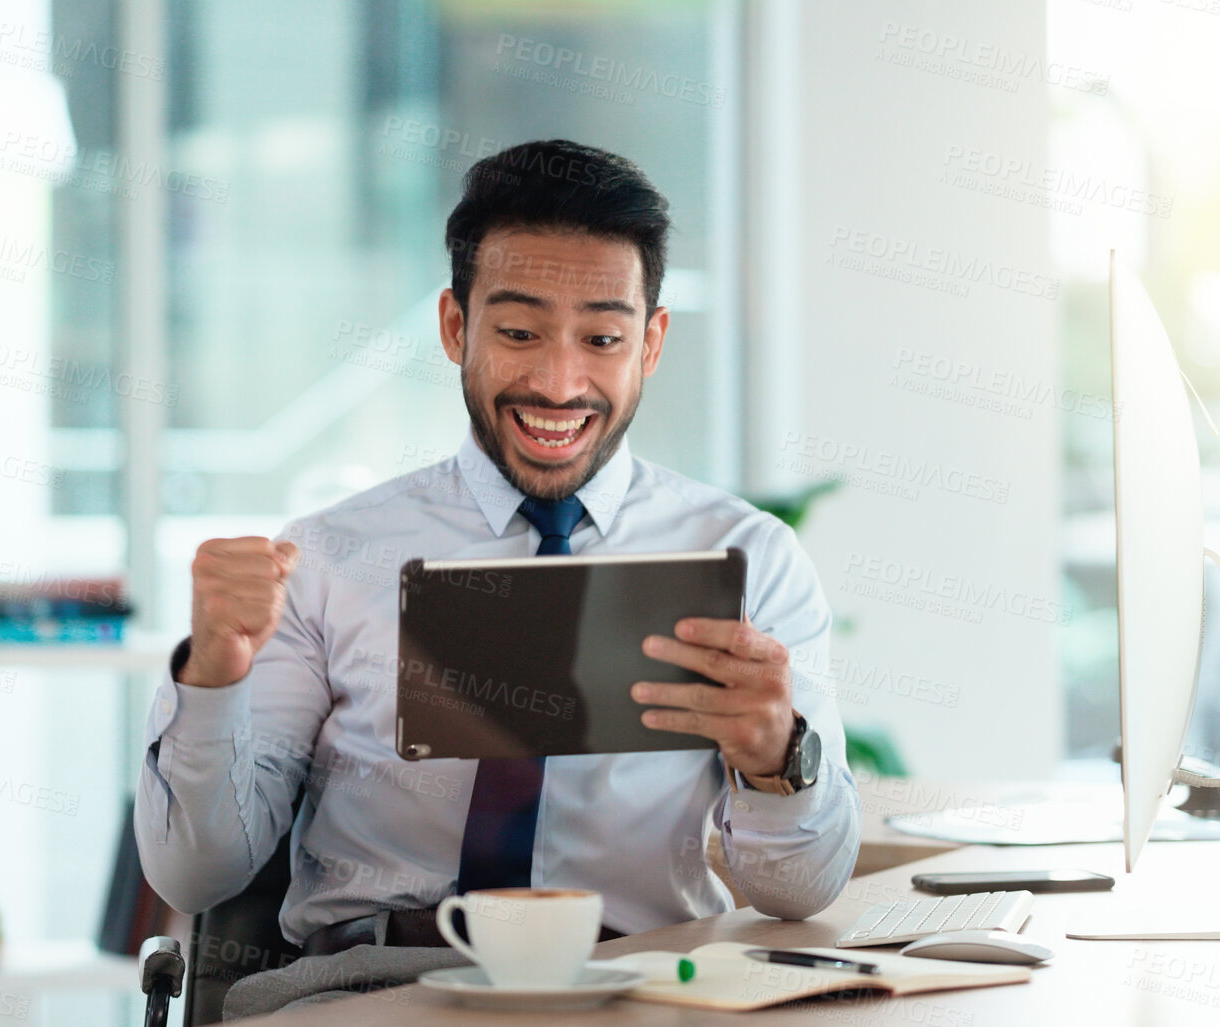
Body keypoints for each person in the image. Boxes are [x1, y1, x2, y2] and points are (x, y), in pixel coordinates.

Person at [135, 139, 861, 1002]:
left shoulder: (750, 561)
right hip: (372, 989)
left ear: (650, 344)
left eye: (601, 337)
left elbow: (801, 892)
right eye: (518, 333)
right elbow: (196, 877)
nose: (559, 382)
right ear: (455, 326)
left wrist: (777, 757)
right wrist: (211, 675)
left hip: (630, 989)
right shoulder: (331, 554)